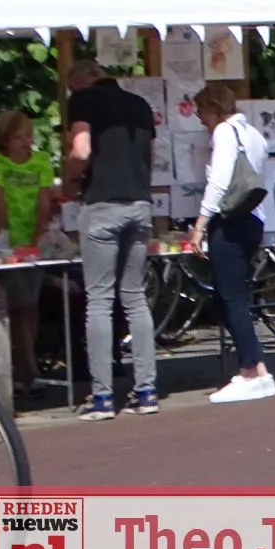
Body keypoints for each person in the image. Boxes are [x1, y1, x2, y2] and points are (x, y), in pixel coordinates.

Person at [62, 58, 159, 421]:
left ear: (82, 80)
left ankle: (102, 397)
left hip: (102, 204)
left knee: (99, 299)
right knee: (134, 298)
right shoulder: (140, 105)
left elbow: (82, 150)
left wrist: (70, 178)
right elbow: (150, 158)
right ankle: (147, 390)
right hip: (139, 205)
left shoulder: (83, 101)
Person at [188, 82, 275, 404]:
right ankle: (259, 369)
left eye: (201, 111)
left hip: (230, 221)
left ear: (214, 108)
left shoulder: (224, 132)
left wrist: (200, 224)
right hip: (254, 219)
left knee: (231, 298)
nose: (200, 118)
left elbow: (219, 181)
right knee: (231, 297)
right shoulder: (254, 134)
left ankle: (250, 371)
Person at [0, 110, 59, 397]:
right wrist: (3, 241)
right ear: (4, 141)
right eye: (18, 137)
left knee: (31, 304)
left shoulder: (40, 161)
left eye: (28, 135)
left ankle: (28, 367)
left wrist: (37, 240)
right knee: (16, 306)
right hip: (9, 242)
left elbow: (44, 203)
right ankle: (28, 368)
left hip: (34, 241)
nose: (26, 142)